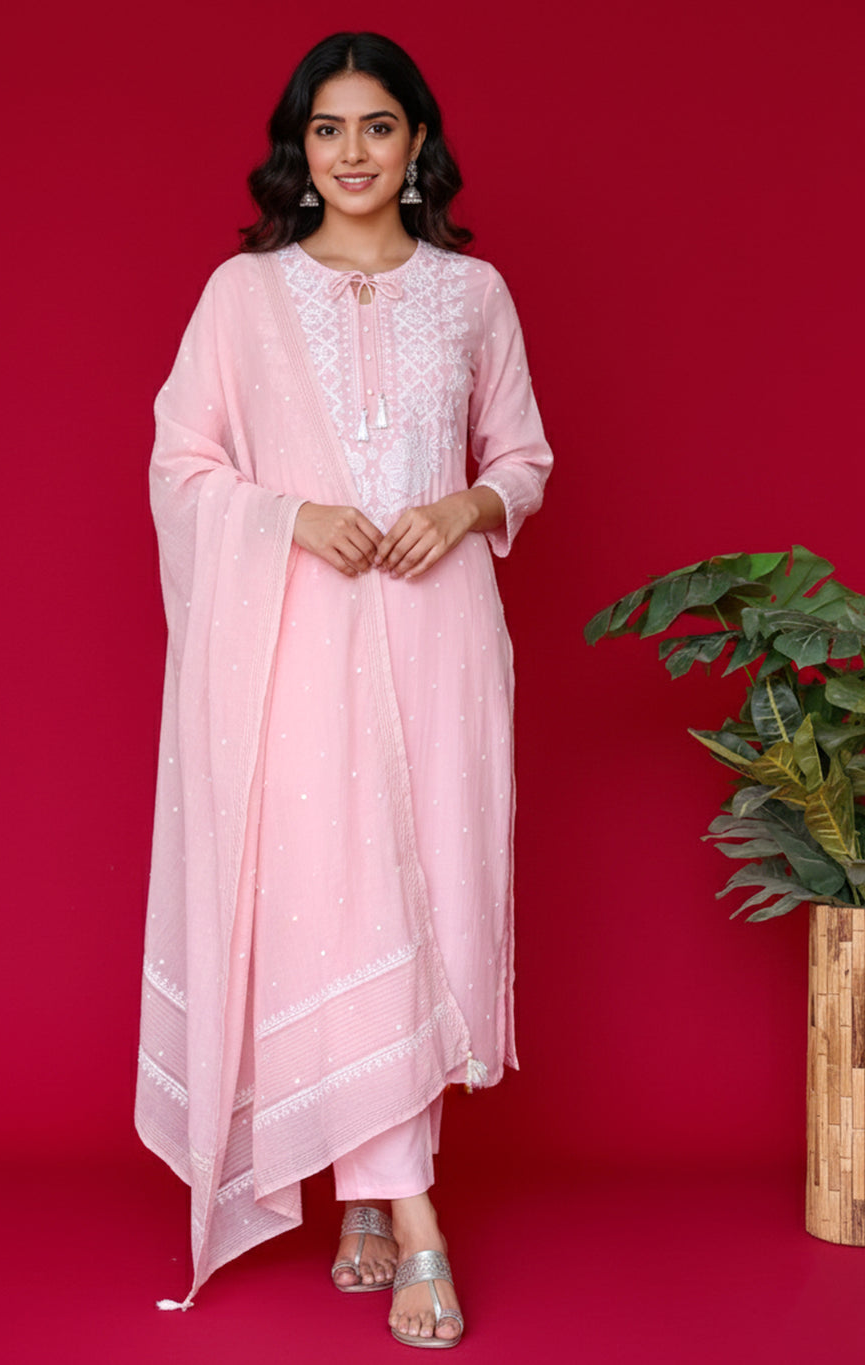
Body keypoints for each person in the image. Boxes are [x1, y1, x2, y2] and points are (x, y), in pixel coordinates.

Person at [137, 31, 553, 1348]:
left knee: (427, 896)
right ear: (299, 148)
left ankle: (366, 1193)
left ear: (418, 142)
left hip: (441, 637)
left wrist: (464, 507)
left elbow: (526, 458)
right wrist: (292, 519)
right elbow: (180, 466)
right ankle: (415, 1222)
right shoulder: (243, 297)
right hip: (300, 640)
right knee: (338, 900)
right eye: (328, 129)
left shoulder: (473, 295)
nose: (353, 152)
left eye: (378, 126)